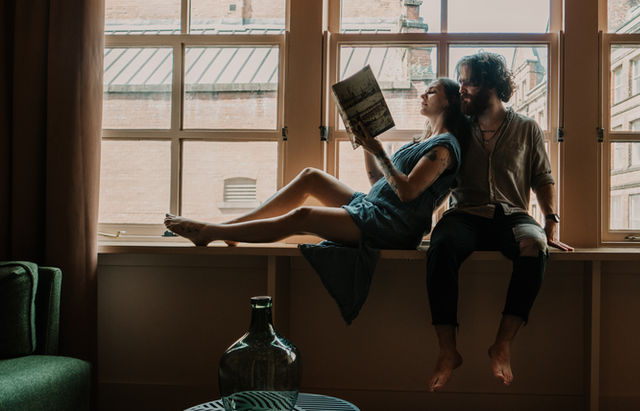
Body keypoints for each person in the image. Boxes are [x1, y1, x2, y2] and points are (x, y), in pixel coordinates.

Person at [165, 79, 468, 323]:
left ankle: (212, 233)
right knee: (311, 176)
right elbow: (379, 183)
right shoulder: (423, 140)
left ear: (450, 101)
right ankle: (229, 228)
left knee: (305, 215)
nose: (423, 94)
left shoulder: (444, 148)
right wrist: (365, 143)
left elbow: (407, 192)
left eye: (433, 91)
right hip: (376, 206)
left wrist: (379, 150)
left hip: (393, 225)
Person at [425, 52, 574, 392]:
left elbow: (543, 178)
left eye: (469, 83)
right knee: (442, 244)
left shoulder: (526, 128)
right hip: (464, 215)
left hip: (512, 216)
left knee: (533, 246)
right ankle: (448, 350)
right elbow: (428, 175)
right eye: (459, 82)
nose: (461, 89)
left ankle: (502, 344)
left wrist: (551, 226)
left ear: (492, 86)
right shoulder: (453, 129)